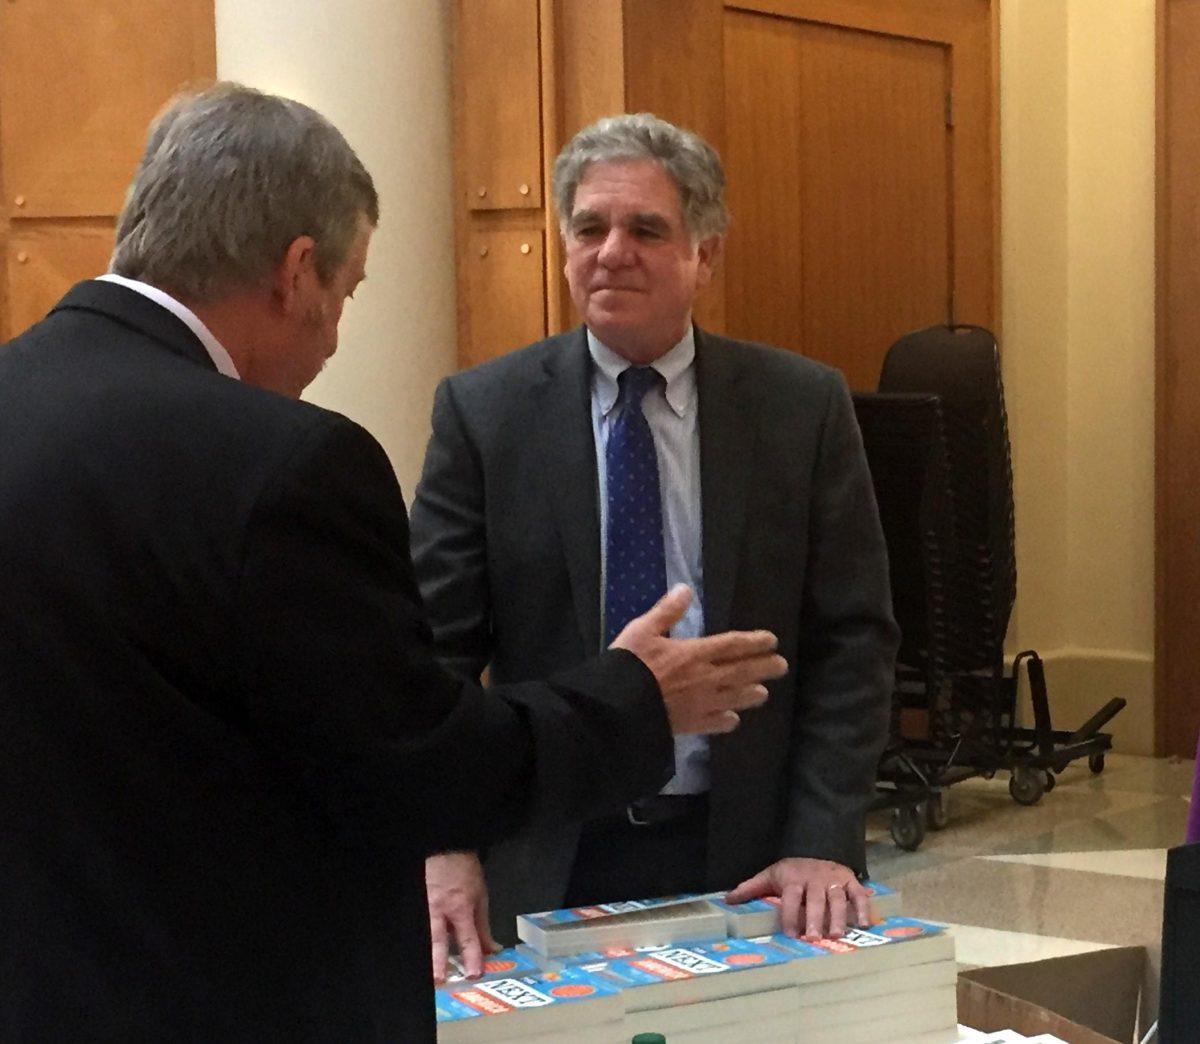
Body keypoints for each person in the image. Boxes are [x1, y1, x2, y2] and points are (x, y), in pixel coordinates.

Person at [0, 86, 787, 1041]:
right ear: (297, 271)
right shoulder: (286, 462)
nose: (333, 338)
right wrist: (633, 698)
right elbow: (415, 768)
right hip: (230, 991)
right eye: (348, 293)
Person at [412, 112, 900, 983]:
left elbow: (853, 640)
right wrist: (442, 842)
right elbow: (433, 659)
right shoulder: (486, 416)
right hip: (550, 847)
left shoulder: (800, 409)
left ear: (704, 255)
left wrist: (823, 840)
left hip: (751, 855)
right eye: (589, 227)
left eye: (646, 229)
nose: (611, 252)